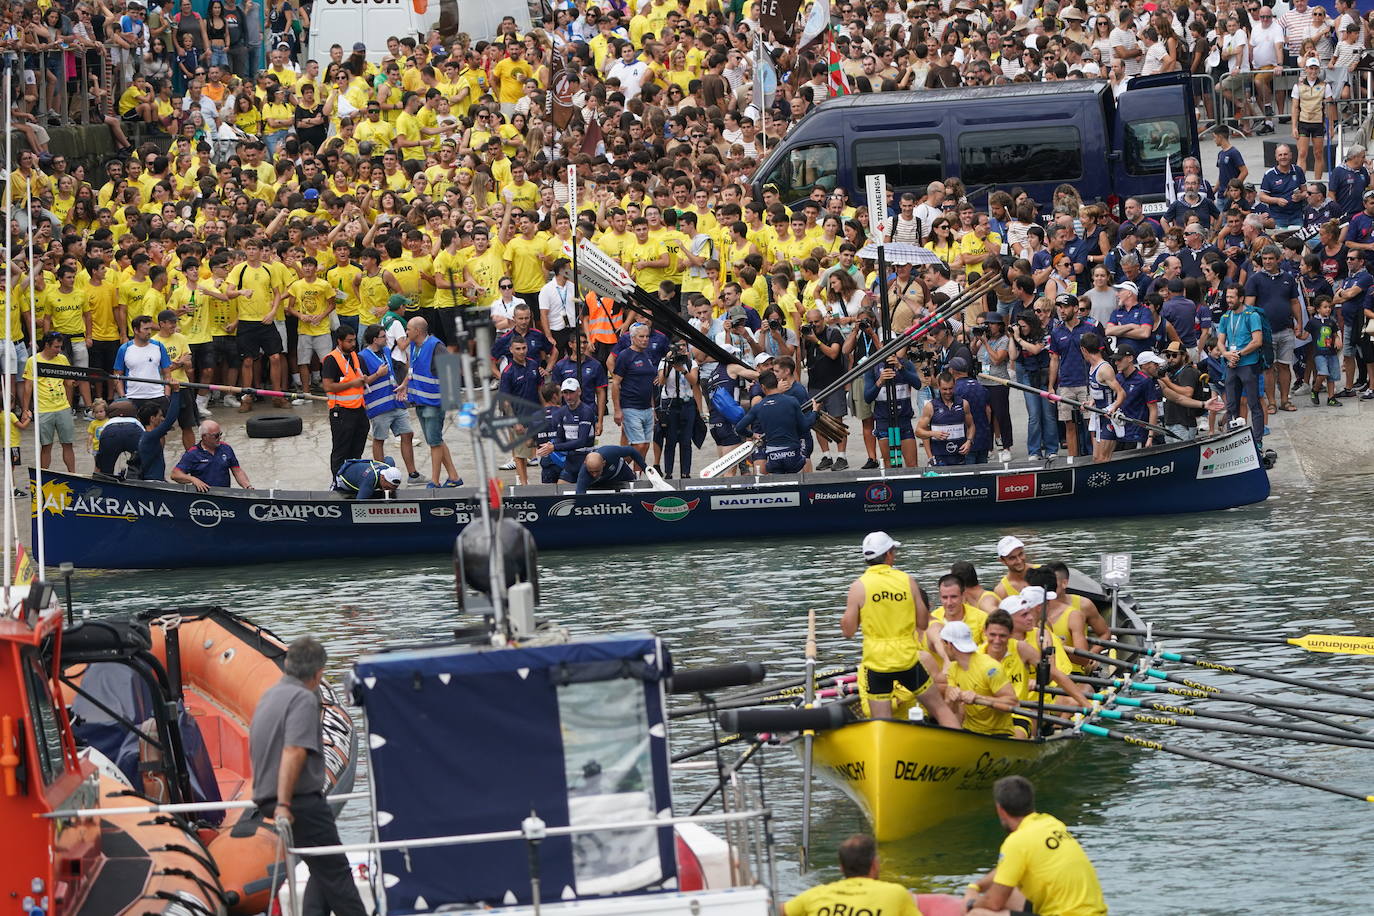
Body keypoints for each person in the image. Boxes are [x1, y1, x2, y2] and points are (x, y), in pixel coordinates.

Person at [248, 636, 367, 916]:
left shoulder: (270, 696)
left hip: (267, 795)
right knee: (337, 874)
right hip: (298, 801)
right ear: (318, 673)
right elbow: (294, 751)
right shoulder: (302, 698)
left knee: (322, 868)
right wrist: (284, 804)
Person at [841, 532, 958, 726]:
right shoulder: (907, 581)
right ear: (888, 554)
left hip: (876, 662)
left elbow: (848, 631)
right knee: (940, 709)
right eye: (893, 552)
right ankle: (962, 747)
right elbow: (922, 623)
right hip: (907, 658)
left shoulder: (858, 587)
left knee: (882, 723)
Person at [964, 776, 1107, 916]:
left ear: (1000, 809)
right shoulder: (1052, 823)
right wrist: (976, 886)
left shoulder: (1017, 841)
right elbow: (1006, 868)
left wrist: (971, 904)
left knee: (977, 914)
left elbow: (994, 903)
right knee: (1012, 892)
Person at [781, 834, 920, 916]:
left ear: (841, 868)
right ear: (875, 865)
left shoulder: (814, 895)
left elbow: (778, 910)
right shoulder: (896, 894)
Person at [406, 317, 463, 488]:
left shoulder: (436, 347)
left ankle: (435, 481)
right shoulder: (414, 346)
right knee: (436, 440)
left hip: (433, 404)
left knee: (434, 443)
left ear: (418, 331)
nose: (406, 332)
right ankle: (453, 477)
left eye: (408, 329)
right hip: (420, 402)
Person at [359, 324, 419, 480]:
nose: (386, 339)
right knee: (379, 440)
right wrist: (378, 374)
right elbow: (361, 383)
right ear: (374, 339)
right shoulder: (362, 357)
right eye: (383, 337)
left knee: (407, 434)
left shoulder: (386, 351)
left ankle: (413, 474)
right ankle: (381, 477)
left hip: (396, 402)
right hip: (378, 407)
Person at [940, 620, 1017, 736]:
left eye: (943, 645)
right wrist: (951, 699)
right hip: (970, 730)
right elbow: (952, 711)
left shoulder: (990, 667)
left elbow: (1013, 703)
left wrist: (979, 697)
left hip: (999, 733)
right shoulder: (952, 669)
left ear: (949, 645)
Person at [735, 369, 815, 474]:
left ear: (763, 387)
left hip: (774, 458)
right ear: (777, 383)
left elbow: (739, 428)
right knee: (803, 464)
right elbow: (805, 426)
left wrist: (752, 434)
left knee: (779, 483)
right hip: (792, 456)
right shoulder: (791, 401)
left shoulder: (759, 407)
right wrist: (815, 412)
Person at [21, 332, 77, 472]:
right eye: (56, 347)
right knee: (46, 446)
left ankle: (74, 475)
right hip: (44, 409)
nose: (59, 350)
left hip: (63, 407)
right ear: (46, 345)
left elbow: (68, 383)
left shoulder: (63, 359)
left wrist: (70, 401)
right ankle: (43, 479)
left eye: (60, 347)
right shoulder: (32, 361)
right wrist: (25, 410)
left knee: (68, 444)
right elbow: (28, 387)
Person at [171, 420, 253, 491]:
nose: (219, 438)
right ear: (204, 437)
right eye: (216, 435)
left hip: (224, 494)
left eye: (220, 434)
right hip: (204, 496)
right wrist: (193, 480)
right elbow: (175, 474)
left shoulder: (226, 448)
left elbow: (237, 471)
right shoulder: (193, 454)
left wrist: (247, 486)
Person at [915, 371, 973, 467]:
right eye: (944, 389)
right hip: (940, 457)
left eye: (950, 388)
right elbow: (918, 431)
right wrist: (933, 434)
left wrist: (969, 441)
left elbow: (971, 426)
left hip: (960, 456)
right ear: (938, 386)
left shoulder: (963, 403)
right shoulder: (931, 406)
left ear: (954, 385)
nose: (948, 392)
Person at [574, 445, 647, 494]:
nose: (594, 474)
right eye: (591, 472)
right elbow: (580, 494)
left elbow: (632, 451)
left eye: (597, 471)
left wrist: (646, 469)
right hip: (600, 483)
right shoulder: (584, 474)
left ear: (604, 463)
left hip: (622, 473)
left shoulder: (611, 452)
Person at [333, 457, 403, 499]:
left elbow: (389, 458)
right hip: (343, 479)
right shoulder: (369, 482)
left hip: (358, 469)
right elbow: (359, 503)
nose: (390, 491)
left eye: (393, 488)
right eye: (388, 487)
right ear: (382, 477)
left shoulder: (389, 466)